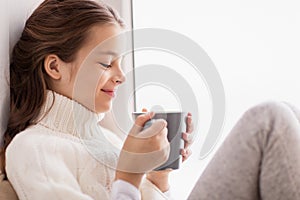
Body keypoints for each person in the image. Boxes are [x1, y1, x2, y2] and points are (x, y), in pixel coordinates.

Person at [0, 0, 193, 199]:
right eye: (107, 63)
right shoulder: (33, 149)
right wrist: (129, 175)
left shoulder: (111, 140)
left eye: (121, 63)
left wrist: (157, 176)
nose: (121, 76)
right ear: (55, 67)